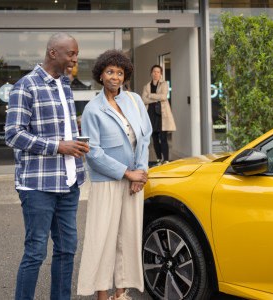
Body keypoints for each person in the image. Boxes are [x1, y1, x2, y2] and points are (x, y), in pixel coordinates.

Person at [5, 32, 89, 300]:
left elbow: (65, 129)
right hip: (37, 185)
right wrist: (58, 146)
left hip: (68, 181)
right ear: (53, 53)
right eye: (71, 53)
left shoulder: (64, 84)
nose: (75, 58)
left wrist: (76, 145)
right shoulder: (25, 86)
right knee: (36, 251)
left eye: (76, 54)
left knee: (67, 249)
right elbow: (13, 134)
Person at [77, 49, 152, 300]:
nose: (115, 77)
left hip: (134, 182)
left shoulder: (134, 101)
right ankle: (101, 295)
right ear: (100, 74)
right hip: (107, 182)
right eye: (110, 72)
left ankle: (121, 293)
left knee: (128, 238)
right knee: (103, 240)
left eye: (120, 73)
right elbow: (92, 152)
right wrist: (127, 173)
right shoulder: (92, 109)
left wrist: (140, 173)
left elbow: (144, 137)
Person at [142, 65, 176, 165]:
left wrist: (150, 96)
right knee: (155, 138)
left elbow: (164, 96)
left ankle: (166, 159)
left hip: (162, 114)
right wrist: (157, 98)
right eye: (154, 71)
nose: (156, 74)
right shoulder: (146, 86)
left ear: (160, 74)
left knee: (163, 138)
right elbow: (144, 99)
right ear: (151, 73)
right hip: (151, 113)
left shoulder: (164, 84)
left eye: (158, 72)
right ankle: (158, 158)